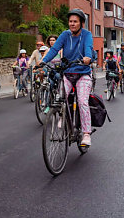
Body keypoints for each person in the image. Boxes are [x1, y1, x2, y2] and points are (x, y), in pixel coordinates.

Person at [40, 8, 93, 147]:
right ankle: (63, 116)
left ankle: (86, 133)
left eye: (75, 21)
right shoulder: (64, 35)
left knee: (82, 101)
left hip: (83, 73)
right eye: (70, 21)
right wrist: (43, 61)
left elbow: (88, 47)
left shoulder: (87, 35)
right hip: (68, 73)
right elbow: (54, 49)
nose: (72, 24)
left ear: (81, 23)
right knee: (60, 98)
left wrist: (87, 58)